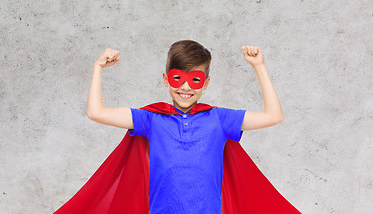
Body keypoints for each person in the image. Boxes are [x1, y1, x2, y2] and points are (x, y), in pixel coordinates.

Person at [54, 40, 300, 214]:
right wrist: (98, 68)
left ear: (206, 84)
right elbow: (96, 112)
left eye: (195, 80)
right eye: (177, 78)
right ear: (165, 80)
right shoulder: (151, 119)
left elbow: (273, 115)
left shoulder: (219, 119)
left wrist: (259, 67)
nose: (185, 87)